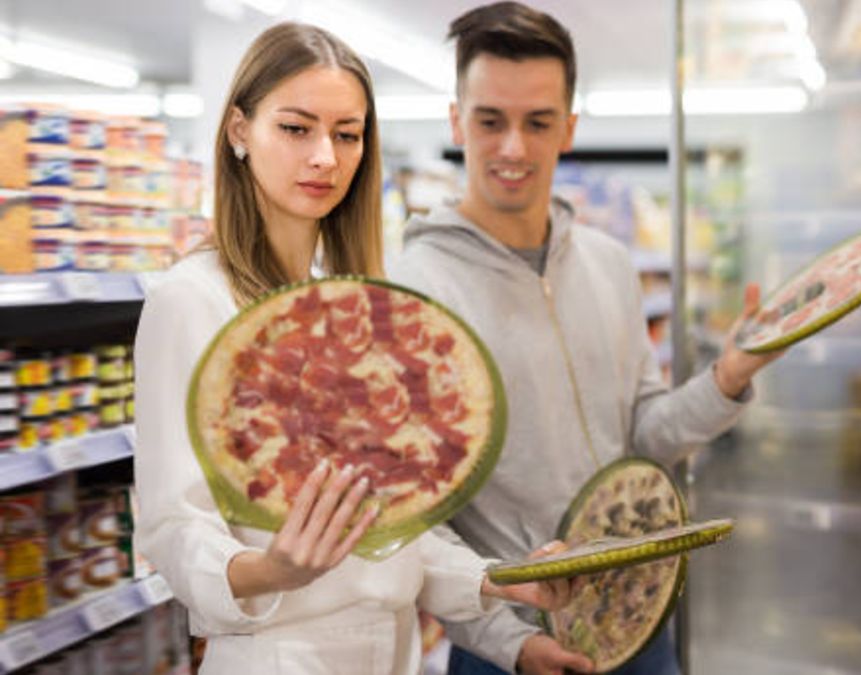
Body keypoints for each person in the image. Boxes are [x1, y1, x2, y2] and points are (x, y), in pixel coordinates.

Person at [134, 22, 573, 675]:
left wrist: (494, 578)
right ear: (238, 132)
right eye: (295, 128)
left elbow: (388, 525)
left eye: (347, 134)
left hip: (391, 649)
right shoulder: (192, 299)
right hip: (278, 655)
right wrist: (269, 567)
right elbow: (172, 523)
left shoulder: (349, 304)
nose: (325, 157)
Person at [387, 3, 784, 674]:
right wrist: (508, 641)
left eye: (537, 122)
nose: (513, 146)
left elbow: (644, 432)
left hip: (639, 625)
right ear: (457, 121)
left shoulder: (608, 262)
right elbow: (411, 516)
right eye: (490, 120)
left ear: (567, 128)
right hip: (508, 647)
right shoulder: (412, 293)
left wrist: (728, 377)